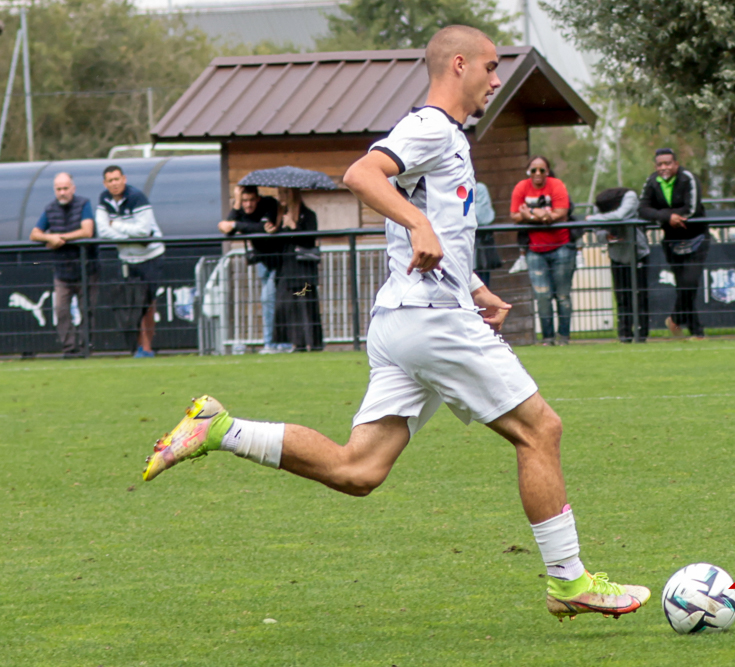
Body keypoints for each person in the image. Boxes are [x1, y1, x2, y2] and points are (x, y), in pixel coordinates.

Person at [141, 25, 649, 622]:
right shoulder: (430, 125)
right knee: (541, 430)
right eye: (490, 67)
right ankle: (570, 583)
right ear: (458, 65)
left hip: (406, 318)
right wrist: (418, 224)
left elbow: (438, 229)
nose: (495, 79)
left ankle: (219, 427)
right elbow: (361, 174)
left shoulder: (448, 138)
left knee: (359, 470)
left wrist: (475, 285)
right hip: (431, 323)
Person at [95, 165, 165, 357]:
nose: (114, 183)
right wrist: (127, 235)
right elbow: (102, 230)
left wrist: (116, 224)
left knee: (148, 304)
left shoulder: (137, 197)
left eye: (117, 179)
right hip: (127, 259)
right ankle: (138, 348)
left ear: (124, 179)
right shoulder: (104, 199)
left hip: (150, 256)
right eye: (110, 180)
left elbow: (144, 230)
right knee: (131, 304)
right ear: (105, 183)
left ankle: (147, 349)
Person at [638, 148, 708, 338]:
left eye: (668, 163)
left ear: (676, 164)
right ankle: (697, 332)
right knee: (683, 286)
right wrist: (668, 217)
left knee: (690, 282)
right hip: (671, 239)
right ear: (655, 166)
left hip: (697, 237)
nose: (664, 167)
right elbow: (643, 209)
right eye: (660, 164)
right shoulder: (652, 181)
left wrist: (668, 216)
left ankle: (675, 319)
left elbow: (691, 208)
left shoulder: (688, 179)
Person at [28, 172, 98, 358]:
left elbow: (87, 231)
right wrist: (48, 237)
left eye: (65, 188)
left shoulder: (84, 204)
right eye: (58, 189)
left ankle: (86, 348)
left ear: (73, 188)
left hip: (86, 270)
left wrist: (61, 238)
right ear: (54, 190)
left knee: (87, 311)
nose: (62, 192)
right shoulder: (50, 209)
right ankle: (69, 349)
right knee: (61, 311)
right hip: (62, 272)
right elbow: (34, 234)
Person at [510, 156, 575, 345]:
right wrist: (542, 215)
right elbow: (514, 215)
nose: (537, 174)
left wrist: (528, 214)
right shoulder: (521, 187)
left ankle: (564, 337)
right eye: (533, 170)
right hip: (535, 249)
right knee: (542, 296)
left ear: (548, 171)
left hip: (562, 246)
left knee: (562, 295)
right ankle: (547, 338)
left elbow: (561, 213)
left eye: (542, 170)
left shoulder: (556, 185)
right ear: (528, 172)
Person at [218, 185, 288, 353]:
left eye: (251, 200)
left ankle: (270, 343)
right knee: (269, 300)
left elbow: (263, 228)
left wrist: (236, 224)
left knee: (268, 299)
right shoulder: (241, 209)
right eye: (244, 201)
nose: (247, 205)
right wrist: (236, 204)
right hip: (262, 262)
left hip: (280, 260)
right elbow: (228, 232)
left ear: (257, 198)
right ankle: (273, 342)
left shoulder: (269, 203)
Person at [589, 187, 650, 343]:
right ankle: (625, 334)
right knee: (622, 296)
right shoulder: (599, 206)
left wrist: (593, 218)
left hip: (637, 253)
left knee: (640, 295)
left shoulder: (630, 197)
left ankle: (642, 334)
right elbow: (597, 232)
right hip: (617, 256)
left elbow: (620, 216)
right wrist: (606, 234)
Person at [272, 187, 324, 352]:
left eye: (284, 193)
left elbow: (309, 240)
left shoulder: (308, 215)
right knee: (286, 306)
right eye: (279, 193)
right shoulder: (279, 216)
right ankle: (296, 343)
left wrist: (294, 227)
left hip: (303, 271)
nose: (281, 197)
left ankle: (313, 344)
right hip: (286, 270)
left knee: (306, 307)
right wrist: (273, 231)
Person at [473, 181, 502, 288]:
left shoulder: (479, 188)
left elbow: (482, 218)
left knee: (481, 287)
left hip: (479, 248)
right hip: (451, 250)